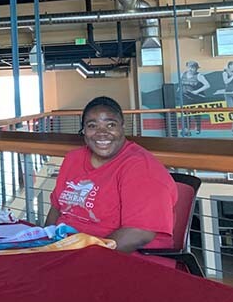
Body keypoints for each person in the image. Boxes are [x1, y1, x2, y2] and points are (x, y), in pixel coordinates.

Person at [45, 96, 177, 253]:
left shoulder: (141, 168)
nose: (102, 133)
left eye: (110, 125)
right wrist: (46, 246)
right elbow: (56, 208)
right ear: (84, 130)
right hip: (66, 250)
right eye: (92, 126)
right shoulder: (73, 158)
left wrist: (83, 259)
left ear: (122, 127)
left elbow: (138, 234)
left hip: (124, 259)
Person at [180, 61, 210, 136]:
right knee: (186, 114)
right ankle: (187, 129)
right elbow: (180, 84)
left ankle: (198, 127)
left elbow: (207, 85)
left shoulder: (199, 76)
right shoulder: (183, 74)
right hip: (186, 97)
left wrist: (197, 91)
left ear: (196, 68)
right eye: (189, 67)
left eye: (193, 67)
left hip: (197, 98)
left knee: (196, 114)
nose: (191, 69)